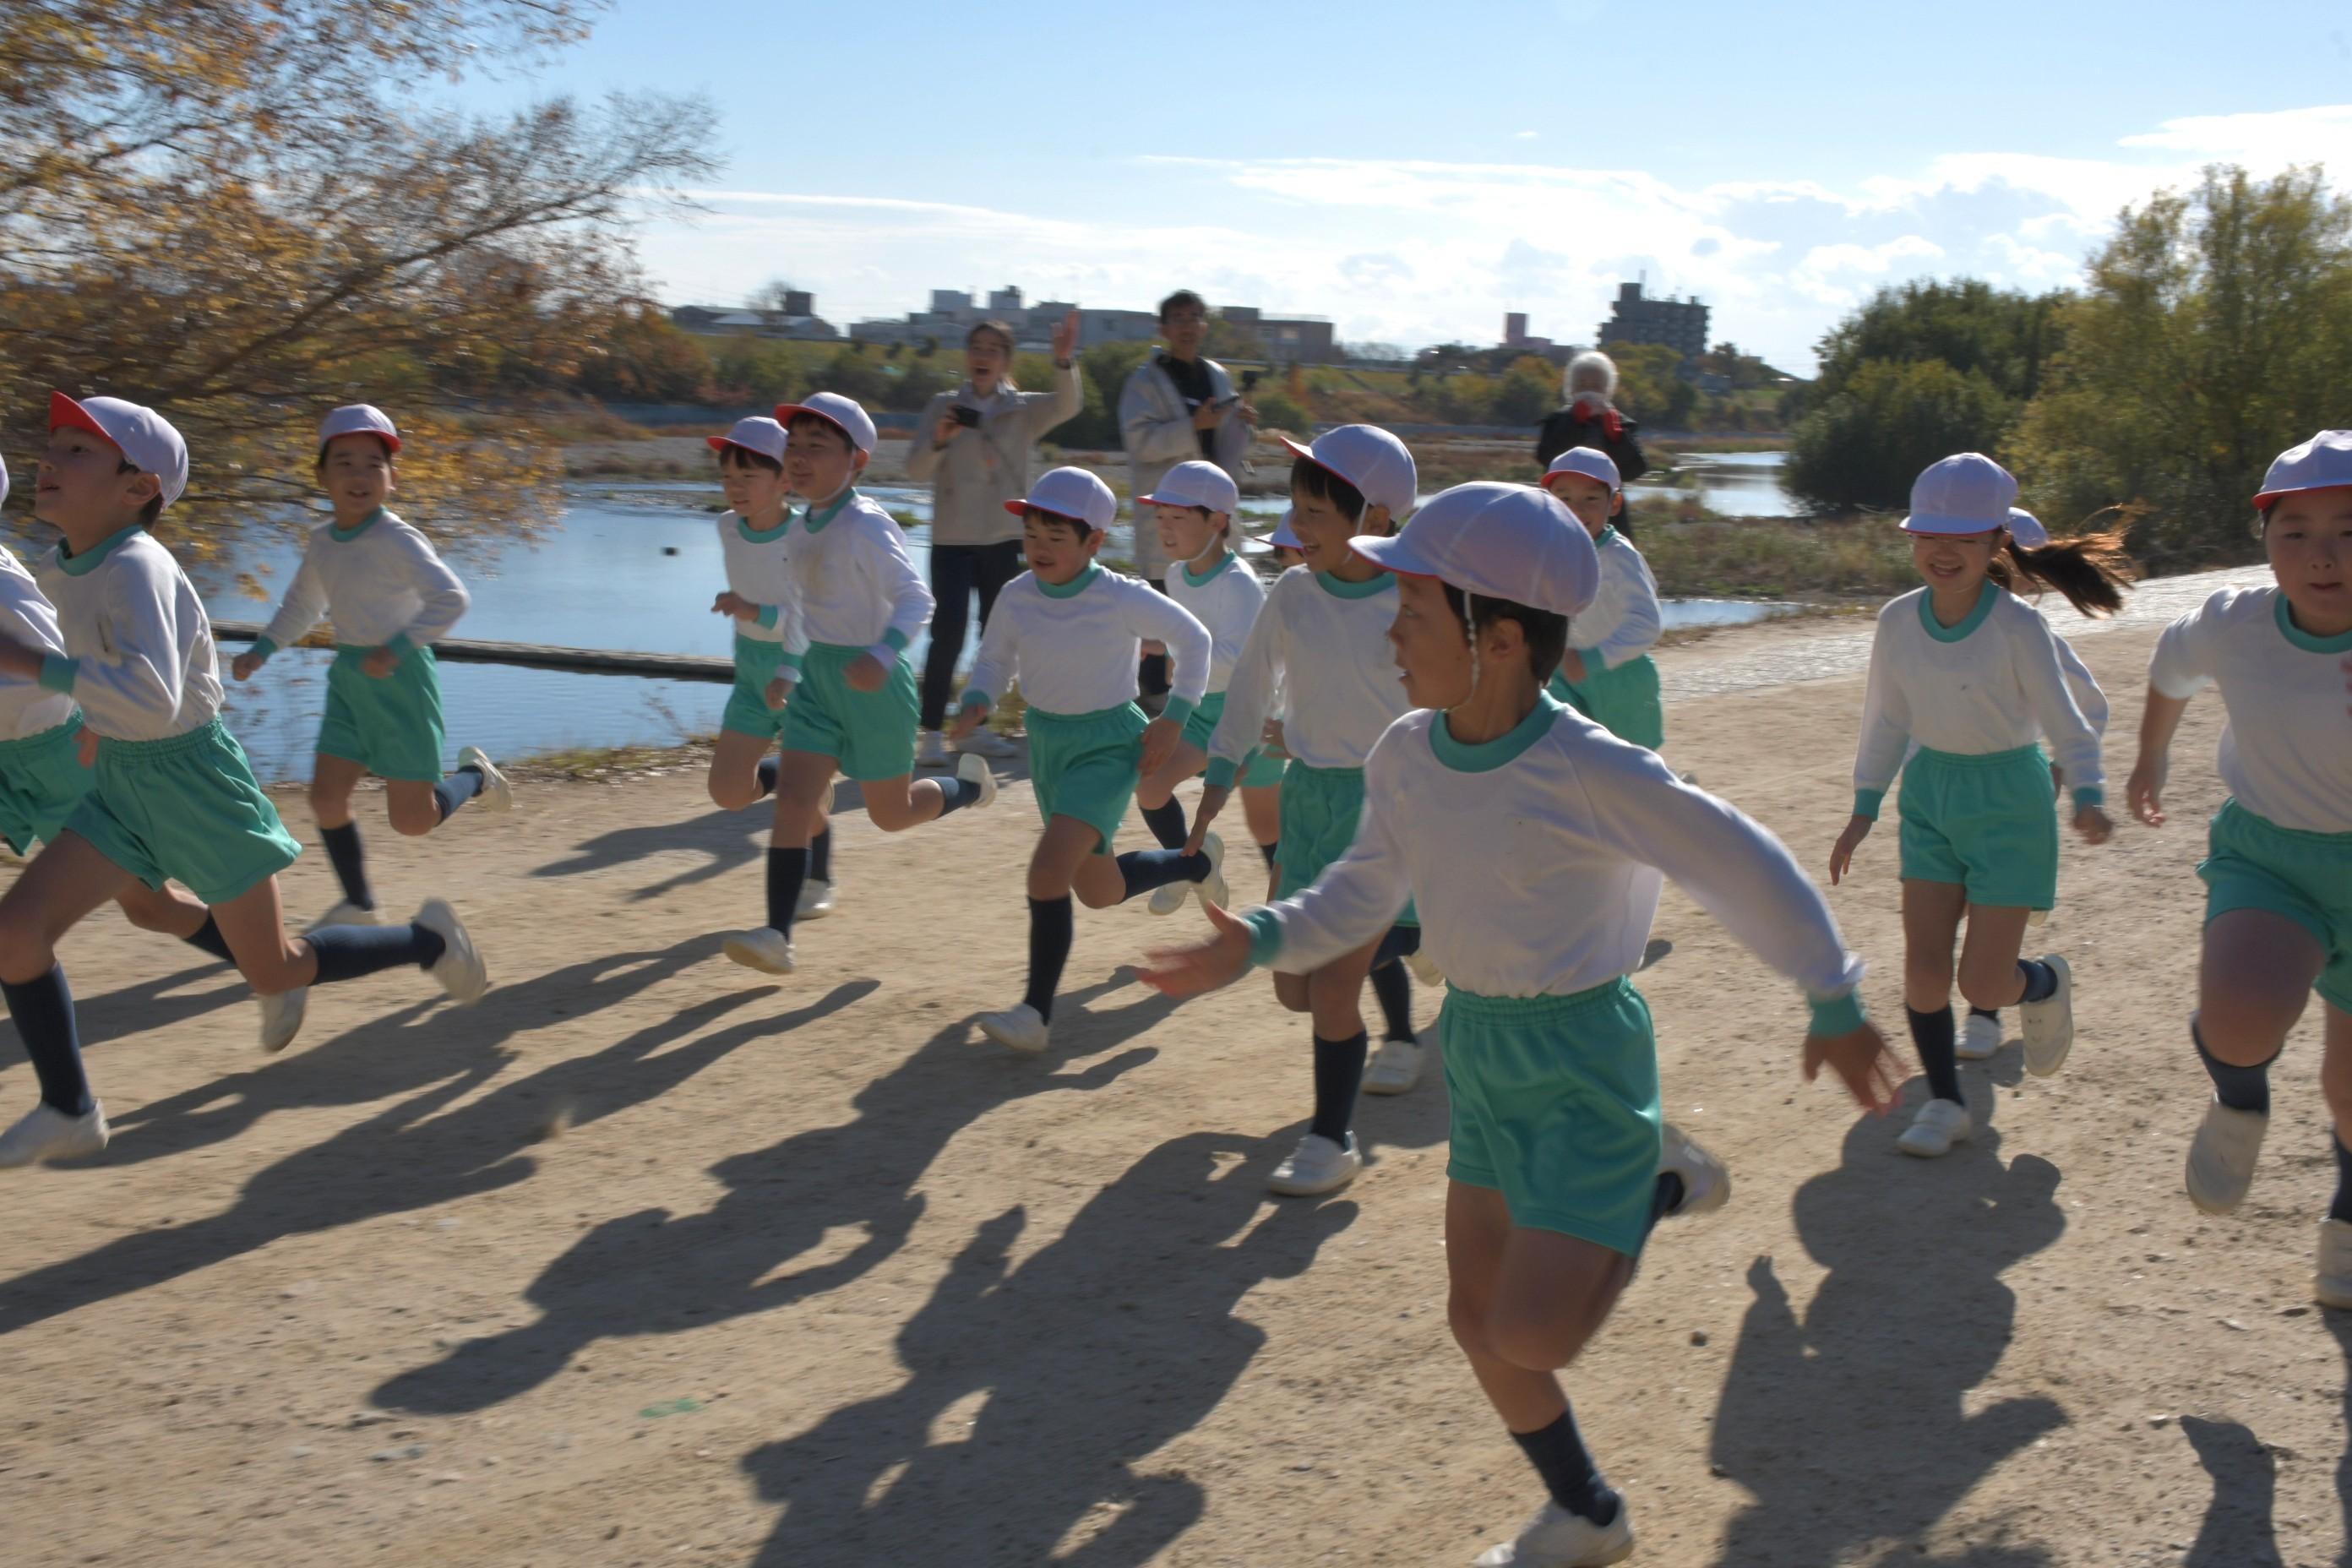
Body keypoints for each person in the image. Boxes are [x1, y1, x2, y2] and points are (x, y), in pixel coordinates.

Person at [1141, 480, 1900, 1568]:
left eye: (1411, 611)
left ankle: (1654, 1178)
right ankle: (1588, 1510)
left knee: (1534, 1331)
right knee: (1477, 1319)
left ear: (1496, 639)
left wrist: (1833, 995)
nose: (1390, 631)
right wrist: (1258, 938)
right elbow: (1361, 888)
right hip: (1480, 1047)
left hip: (1584, 1052)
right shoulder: (1406, 750)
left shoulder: (1591, 766)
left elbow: (1739, 857)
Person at [0, 394, 487, 1167]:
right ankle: (70, 1108)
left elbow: (155, 695)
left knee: (276, 967)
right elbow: (106, 674)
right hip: (121, 782)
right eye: (52, 446)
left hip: (194, 782)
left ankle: (428, 941)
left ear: (137, 488)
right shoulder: (63, 566)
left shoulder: (137, 565)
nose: (47, 461)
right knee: (16, 934)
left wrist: (31, 665)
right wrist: (92, 722)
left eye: (77, 450)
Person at [1828, 453, 2132, 1158]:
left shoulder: (2019, 628)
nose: (1944, 551)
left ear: (1997, 542)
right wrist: (1864, 807)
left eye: (1964, 538)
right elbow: (1887, 718)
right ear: (1910, 538)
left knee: (1984, 980)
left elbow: (2068, 719)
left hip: (2010, 803)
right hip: (1930, 796)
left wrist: (2086, 793)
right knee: (1924, 972)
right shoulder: (1897, 621)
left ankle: (2044, 984)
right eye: (1929, 535)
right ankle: (1945, 1102)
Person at [2126, 430, 2352, 1306]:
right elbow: (2171, 666)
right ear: (2265, 540)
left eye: (2349, 531)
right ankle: (2239, 1098)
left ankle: (2348, 1217)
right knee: (2239, 1019)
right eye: (2296, 532)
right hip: (2273, 855)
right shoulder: (2235, 623)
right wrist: (2151, 755)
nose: (2324, 555)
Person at [1186, 425, 1429, 1195]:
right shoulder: (1293, 593)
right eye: (1296, 508)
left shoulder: (1414, 597)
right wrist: (1216, 785)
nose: (1298, 526)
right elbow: (1249, 690)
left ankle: (1331, 1141)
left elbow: (1458, 699)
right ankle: (1411, 959)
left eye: (1317, 512)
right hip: (1310, 805)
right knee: (1295, 984)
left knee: (1330, 987)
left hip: (1389, 812)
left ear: (1377, 518)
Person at [950, 467, 1226, 1055]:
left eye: (1057, 536)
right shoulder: (1017, 595)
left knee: (1047, 872)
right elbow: (994, 659)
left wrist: (1174, 718)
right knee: (1098, 890)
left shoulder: (1119, 595)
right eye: (1032, 535)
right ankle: (1196, 862)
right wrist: (978, 698)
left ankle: (1035, 1014)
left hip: (1108, 745)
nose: (1040, 548)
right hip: (1048, 744)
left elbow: (1196, 640)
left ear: (1094, 541)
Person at [729, 392, 994, 977]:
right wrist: (787, 670)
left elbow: (917, 599)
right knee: (794, 800)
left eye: (817, 447)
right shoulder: (801, 528)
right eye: (794, 446)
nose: (800, 458)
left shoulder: (866, 524)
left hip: (876, 682)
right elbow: (800, 608)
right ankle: (776, 935)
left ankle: (971, 788)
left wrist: (882, 653)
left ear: (858, 461)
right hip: (819, 681)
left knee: (891, 815)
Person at [231, 405, 510, 928]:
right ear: (321, 475)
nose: (359, 476)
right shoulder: (322, 542)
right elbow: (303, 605)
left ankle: (475, 776)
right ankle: (359, 905)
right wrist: (262, 649)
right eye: (344, 463)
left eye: (373, 465)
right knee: (325, 798)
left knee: (412, 821)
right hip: (350, 681)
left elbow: (451, 599)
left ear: (392, 479)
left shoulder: (397, 538)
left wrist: (398, 648)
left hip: (401, 679)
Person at [0, 454, 256, 1018]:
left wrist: (98, 719)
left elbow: (57, 656)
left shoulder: (7, 582)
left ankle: (269, 968)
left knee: (150, 908)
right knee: (137, 910)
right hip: (11, 757)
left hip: (58, 753)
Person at [1954, 505, 2110, 1062]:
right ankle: (2013, 986)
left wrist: (2061, 773)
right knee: (1956, 902)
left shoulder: (2036, 638)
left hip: (2014, 796)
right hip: (1948, 797)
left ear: (2030, 580)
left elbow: (2091, 709)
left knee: (1991, 902)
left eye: (2003, 573)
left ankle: (1985, 1011)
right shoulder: (1936, 631)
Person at [905, 309, 1083, 769]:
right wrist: (940, 438)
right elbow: (915, 470)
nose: (982, 357)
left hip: (1002, 538)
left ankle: (974, 729)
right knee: (946, 635)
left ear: (1006, 360)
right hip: (951, 538)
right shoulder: (942, 406)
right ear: (967, 356)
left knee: (994, 638)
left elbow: (1068, 406)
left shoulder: (1022, 409)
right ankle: (930, 734)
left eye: (992, 350)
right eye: (976, 348)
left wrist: (1064, 361)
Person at [699, 416, 841, 923]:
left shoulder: (804, 536)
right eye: (727, 477)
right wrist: (746, 611)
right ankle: (785, 778)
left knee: (797, 804)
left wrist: (752, 610)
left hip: (803, 672)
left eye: (748, 476)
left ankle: (819, 875)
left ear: (784, 480)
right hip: (752, 671)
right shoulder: (726, 527)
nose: (735, 487)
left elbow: (810, 616)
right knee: (728, 793)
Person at [1130, 460, 1283, 910]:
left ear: (1217, 522)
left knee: (1267, 828)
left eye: (1177, 517)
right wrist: (1153, 644)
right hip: (1199, 711)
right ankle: (1191, 866)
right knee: (1150, 784)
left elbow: (1237, 659)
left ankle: (1291, 914)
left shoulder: (1240, 584)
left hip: (1250, 716)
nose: (1165, 527)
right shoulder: (1177, 575)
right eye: (1160, 516)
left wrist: (1181, 658)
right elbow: (1187, 637)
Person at [1119, 290, 1256, 698]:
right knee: (1162, 603)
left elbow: (1224, 447)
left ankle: (1207, 692)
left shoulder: (1217, 376)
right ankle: (1154, 698)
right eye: (1178, 318)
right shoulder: (1144, 382)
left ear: (1204, 326)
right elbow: (1139, 443)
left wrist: (1241, 425)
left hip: (1210, 511)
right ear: (1163, 328)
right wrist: (1192, 426)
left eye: (1195, 317)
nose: (1188, 326)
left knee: (1214, 596)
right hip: (1168, 512)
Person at [1538, 448, 1663, 752]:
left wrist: (1593, 659)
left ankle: (1665, 782)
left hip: (1620, 680)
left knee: (1629, 764)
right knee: (1564, 751)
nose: (1576, 509)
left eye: (1591, 498)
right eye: (1564, 498)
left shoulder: (1620, 557)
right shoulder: (1548, 550)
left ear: (1615, 503)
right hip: (1563, 674)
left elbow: (1647, 624)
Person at [1533, 351, 1649, 482]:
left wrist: (1617, 436)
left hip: (1605, 492)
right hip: (1563, 491)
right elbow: (1545, 458)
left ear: (1608, 390)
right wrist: (1573, 423)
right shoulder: (1555, 421)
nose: (1588, 391)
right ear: (1571, 389)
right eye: (1581, 385)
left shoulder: (1624, 424)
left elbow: (1635, 471)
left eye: (1596, 386)